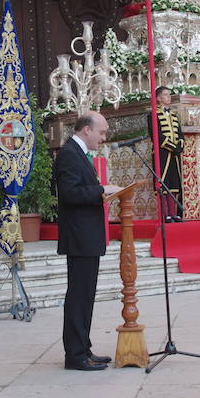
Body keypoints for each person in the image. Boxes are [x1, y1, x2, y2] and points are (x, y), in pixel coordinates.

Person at [52, 112, 122, 371]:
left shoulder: (77, 153)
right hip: (79, 237)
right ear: (86, 130)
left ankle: (85, 349)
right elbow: (70, 194)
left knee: (85, 296)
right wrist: (102, 189)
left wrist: (100, 191)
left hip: (86, 237)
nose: (103, 138)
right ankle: (76, 356)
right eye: (101, 132)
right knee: (79, 297)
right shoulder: (69, 154)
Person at [149, 86, 184, 222]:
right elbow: (156, 136)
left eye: (169, 94)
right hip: (162, 154)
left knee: (174, 184)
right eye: (165, 95)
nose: (168, 97)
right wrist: (172, 146)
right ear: (158, 98)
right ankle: (164, 215)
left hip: (174, 155)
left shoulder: (174, 116)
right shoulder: (153, 115)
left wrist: (179, 146)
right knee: (162, 184)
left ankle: (173, 213)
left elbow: (180, 134)